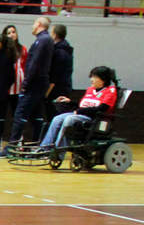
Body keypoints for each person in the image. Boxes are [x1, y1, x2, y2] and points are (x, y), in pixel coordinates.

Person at [38, 66, 118, 150]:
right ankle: (44, 147)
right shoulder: (90, 90)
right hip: (82, 114)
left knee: (69, 119)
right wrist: (69, 102)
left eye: (94, 77)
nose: (91, 79)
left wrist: (80, 111)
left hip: (95, 118)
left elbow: (101, 108)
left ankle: (59, 150)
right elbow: (82, 106)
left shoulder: (110, 91)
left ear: (103, 79)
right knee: (57, 119)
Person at [8, 15, 53, 145]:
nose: (32, 27)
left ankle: (13, 145)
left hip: (35, 83)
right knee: (36, 115)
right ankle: (35, 143)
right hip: (40, 83)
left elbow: (35, 63)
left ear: (39, 24)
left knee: (20, 114)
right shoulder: (46, 40)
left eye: (34, 24)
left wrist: (26, 83)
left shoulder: (42, 40)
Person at [46, 22, 73, 121]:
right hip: (64, 87)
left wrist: (46, 93)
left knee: (54, 117)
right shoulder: (66, 49)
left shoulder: (59, 52)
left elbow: (55, 75)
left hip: (57, 90)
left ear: (54, 35)